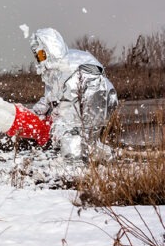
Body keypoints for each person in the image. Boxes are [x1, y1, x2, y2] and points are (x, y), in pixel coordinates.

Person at [25, 28, 118, 161]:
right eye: (38, 56)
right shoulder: (54, 71)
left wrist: (60, 119)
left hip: (95, 95)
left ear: (51, 49)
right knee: (86, 137)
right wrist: (35, 113)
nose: (40, 60)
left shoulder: (68, 65)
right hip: (101, 95)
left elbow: (71, 97)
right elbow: (50, 97)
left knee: (71, 132)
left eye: (42, 55)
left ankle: (75, 169)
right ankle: (103, 157)